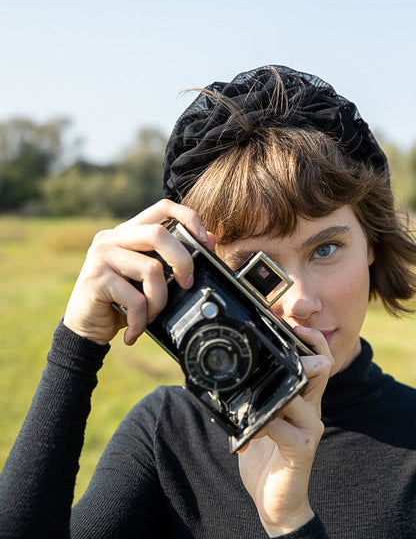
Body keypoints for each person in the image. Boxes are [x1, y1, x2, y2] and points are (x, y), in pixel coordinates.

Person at [1, 65, 416, 539]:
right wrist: (78, 345)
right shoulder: (170, 436)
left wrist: (289, 523)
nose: (300, 302)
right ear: (206, 278)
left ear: (374, 244)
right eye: (256, 271)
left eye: (325, 249)